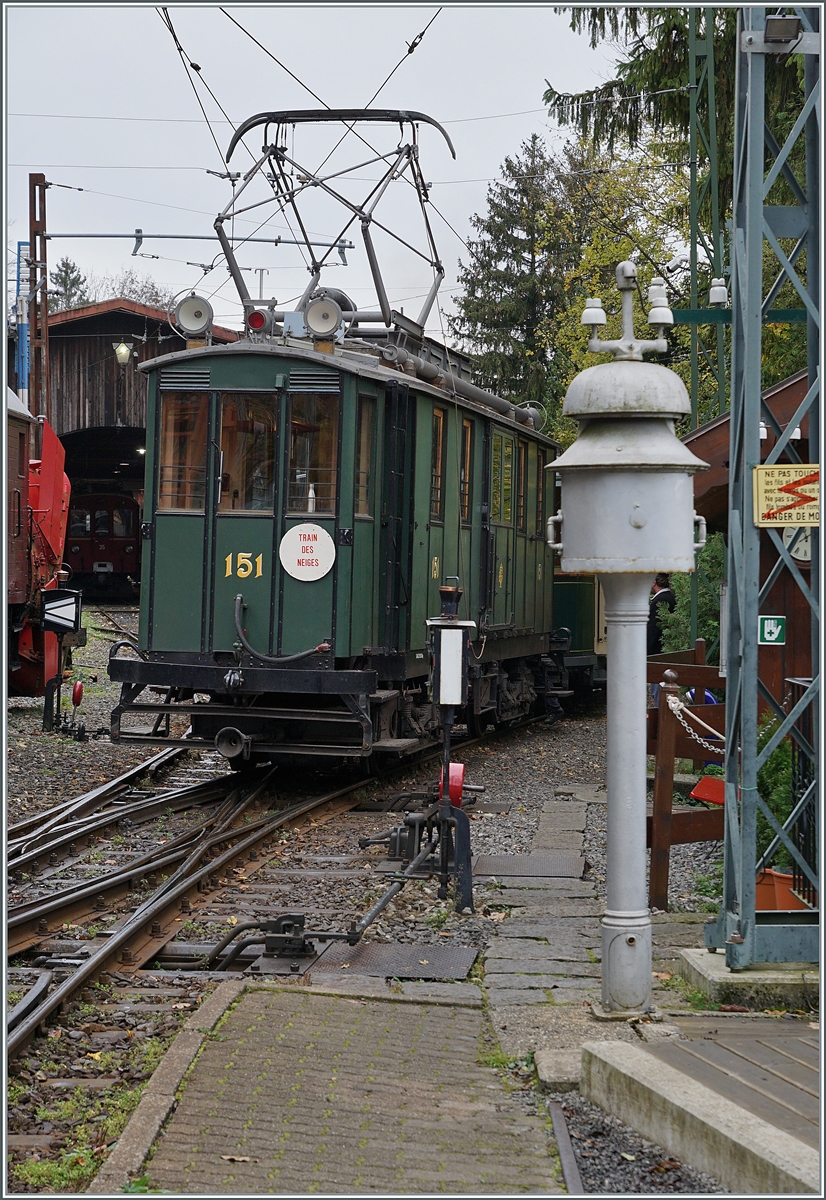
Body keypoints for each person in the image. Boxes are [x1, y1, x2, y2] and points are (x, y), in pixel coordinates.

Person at [648, 573, 676, 706]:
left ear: (654, 582)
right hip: (668, 650)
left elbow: (653, 631)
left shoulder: (658, 601)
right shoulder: (671, 597)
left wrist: (646, 653)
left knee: (657, 689)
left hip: (657, 654)